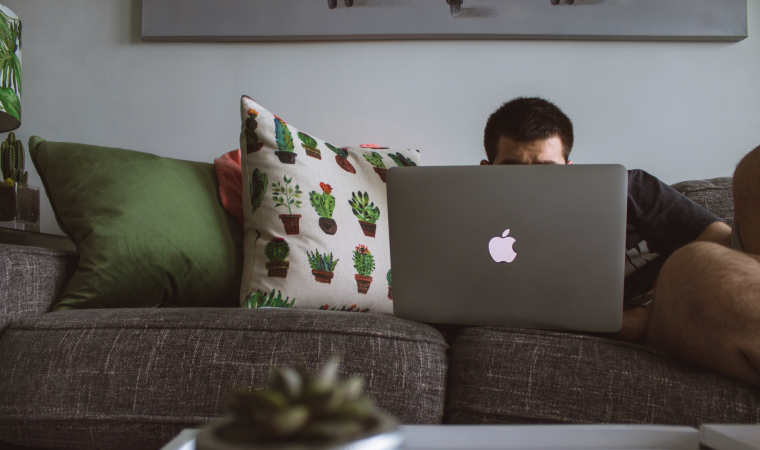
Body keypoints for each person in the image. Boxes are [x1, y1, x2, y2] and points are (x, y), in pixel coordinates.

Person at [481, 97, 760, 386]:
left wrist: (644, 312)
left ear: (570, 167)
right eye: (513, 169)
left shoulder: (627, 187)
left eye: (547, 169)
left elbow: (719, 237)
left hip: (692, 290)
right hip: (680, 313)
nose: (531, 186)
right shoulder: (477, 232)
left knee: (753, 171)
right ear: (486, 171)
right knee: (688, 269)